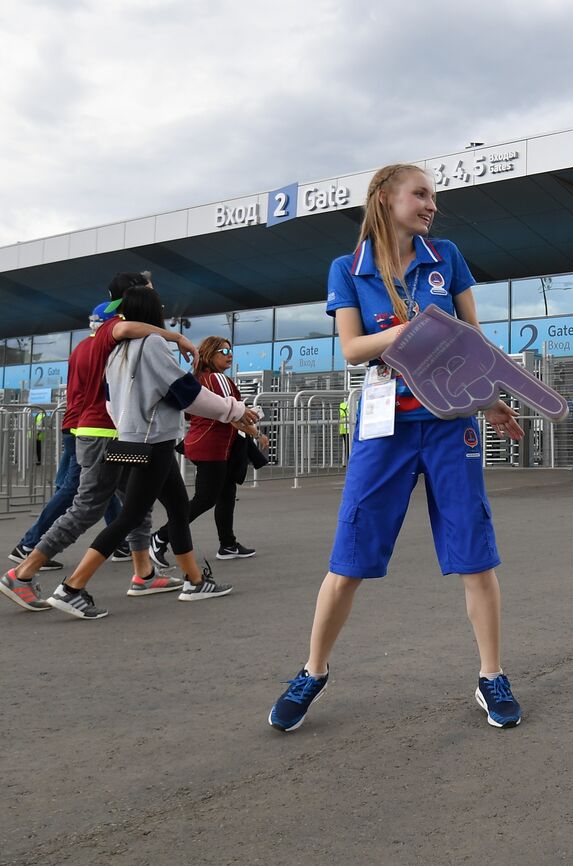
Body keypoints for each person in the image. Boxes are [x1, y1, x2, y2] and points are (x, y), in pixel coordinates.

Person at [268, 163, 525, 733]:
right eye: (421, 194)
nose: (432, 205)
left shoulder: (447, 256)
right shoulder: (347, 268)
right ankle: (312, 671)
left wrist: (490, 398)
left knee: (475, 554)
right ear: (385, 198)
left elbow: (472, 338)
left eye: (434, 197)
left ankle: (492, 676)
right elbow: (354, 349)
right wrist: (411, 332)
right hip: (384, 425)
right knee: (349, 557)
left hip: (450, 421)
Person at [44, 285, 255, 619]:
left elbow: (116, 400)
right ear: (152, 311)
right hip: (152, 442)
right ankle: (71, 587)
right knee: (130, 515)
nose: (164, 308)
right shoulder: (152, 344)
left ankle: (194, 581)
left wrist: (132, 422)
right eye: (160, 305)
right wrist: (235, 409)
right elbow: (185, 391)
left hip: (131, 438)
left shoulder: (116, 349)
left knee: (177, 507)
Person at [2, 277, 196, 614]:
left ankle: (143, 573)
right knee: (87, 505)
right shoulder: (115, 331)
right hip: (105, 433)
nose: (157, 301)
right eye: (150, 294)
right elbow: (131, 331)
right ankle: (23, 572)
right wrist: (176, 335)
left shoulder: (83, 345)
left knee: (137, 505)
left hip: (104, 432)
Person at [151, 337, 269, 566]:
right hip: (213, 445)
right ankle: (160, 537)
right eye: (224, 350)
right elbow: (232, 414)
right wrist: (256, 433)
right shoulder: (217, 378)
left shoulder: (199, 378)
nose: (229, 354)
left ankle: (228, 544)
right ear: (209, 353)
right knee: (205, 499)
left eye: (231, 350)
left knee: (225, 494)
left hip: (206, 443)